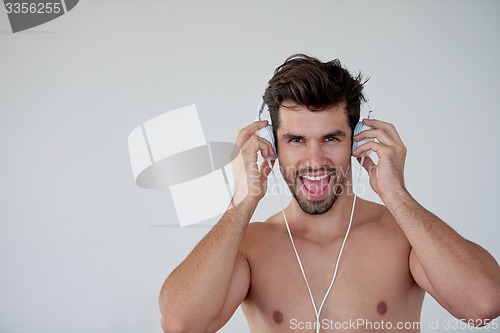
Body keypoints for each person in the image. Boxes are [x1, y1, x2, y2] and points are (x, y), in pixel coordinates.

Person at [159, 54, 500, 332]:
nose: (315, 160)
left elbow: (484, 305)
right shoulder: (249, 245)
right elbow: (181, 324)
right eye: (296, 140)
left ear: (357, 139)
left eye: (331, 138)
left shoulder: (404, 237)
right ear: (271, 146)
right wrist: (242, 202)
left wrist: (396, 195)